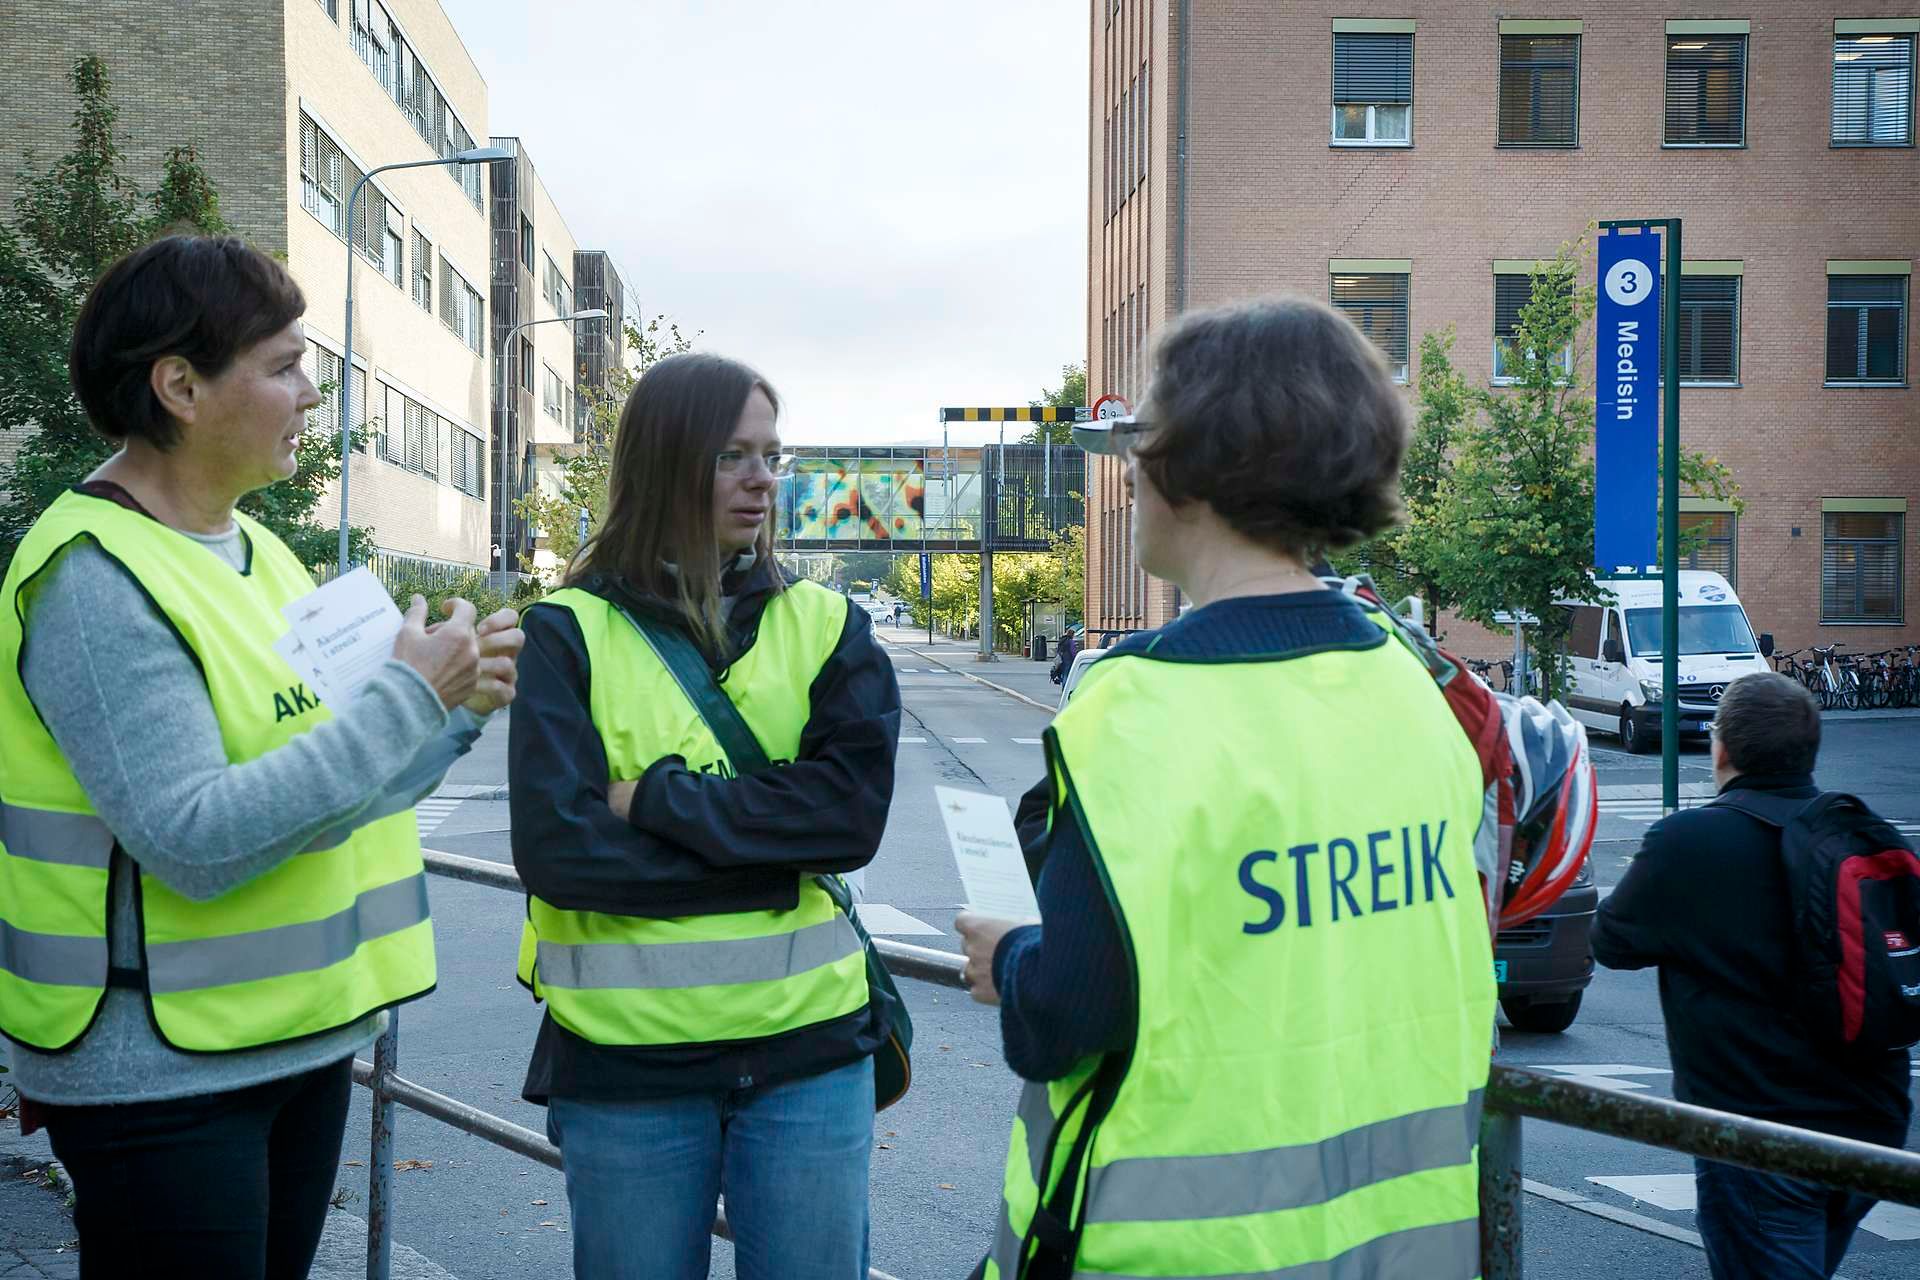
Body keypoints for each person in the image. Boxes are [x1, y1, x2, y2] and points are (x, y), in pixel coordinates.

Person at [0, 234, 523, 1279]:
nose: (312, 394)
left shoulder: (263, 551)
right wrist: (409, 694)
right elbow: (192, 840)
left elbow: (342, 788)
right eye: (284, 366)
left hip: (294, 1037)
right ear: (181, 387)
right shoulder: (95, 578)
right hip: (158, 1072)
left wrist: (453, 709)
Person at [955, 296, 1497, 1279]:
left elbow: (1069, 1014)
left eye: (1142, 436)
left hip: (1179, 1253)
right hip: (1400, 1249)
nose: (1129, 466)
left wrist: (1014, 958)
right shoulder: (1415, 694)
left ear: (1195, 466)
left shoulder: (1137, 709)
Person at [509, 352, 902, 1280]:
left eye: (772, 455)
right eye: (732, 456)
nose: (764, 480)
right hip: (626, 1063)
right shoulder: (567, 631)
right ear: (664, 463)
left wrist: (653, 800)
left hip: (808, 1054)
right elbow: (562, 855)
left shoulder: (828, 626)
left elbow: (848, 823)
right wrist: (772, 865)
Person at [1593, 673, 1912, 1280]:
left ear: (1721, 749)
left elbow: (1611, 943)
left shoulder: (1688, 842)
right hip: (1873, 1121)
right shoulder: (1859, 830)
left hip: (1758, 1130)